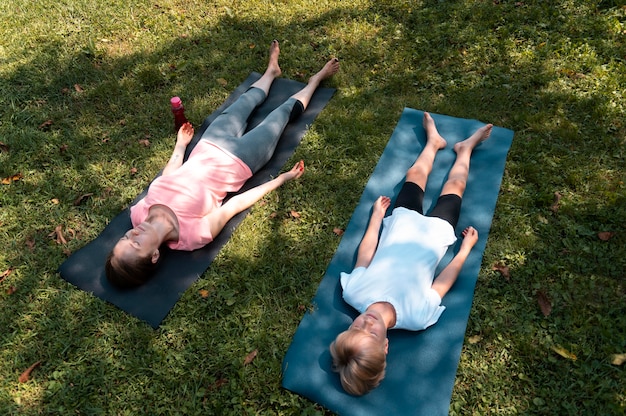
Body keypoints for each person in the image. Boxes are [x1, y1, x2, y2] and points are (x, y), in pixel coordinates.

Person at [105, 40, 340, 288]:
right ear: (154, 256)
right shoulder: (193, 235)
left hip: (208, 144)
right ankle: (315, 80)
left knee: (244, 102)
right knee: (280, 115)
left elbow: (168, 177)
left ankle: (271, 72)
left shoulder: (138, 213)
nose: (133, 233)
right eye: (136, 244)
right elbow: (234, 205)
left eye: (125, 237)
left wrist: (181, 145)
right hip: (241, 159)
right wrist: (281, 179)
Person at [329, 112, 493, 396]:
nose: (366, 324)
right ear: (386, 345)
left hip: (402, 222)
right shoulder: (416, 317)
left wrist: (377, 218)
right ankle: (464, 150)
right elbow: (441, 284)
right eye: (371, 334)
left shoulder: (354, 294)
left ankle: (433, 142)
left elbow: (366, 254)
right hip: (436, 232)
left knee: (415, 175)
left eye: (356, 329)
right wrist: (464, 251)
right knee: (456, 187)